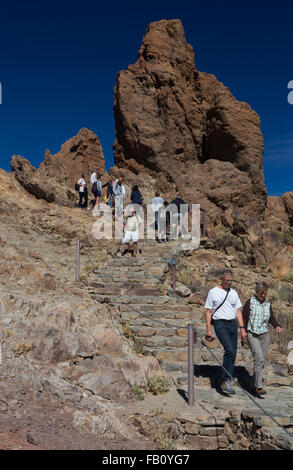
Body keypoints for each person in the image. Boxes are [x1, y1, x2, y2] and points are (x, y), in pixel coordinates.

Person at [205, 269, 247, 395]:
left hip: (232, 324)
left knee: (233, 353)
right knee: (229, 350)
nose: (229, 283)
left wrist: (242, 328)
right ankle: (225, 380)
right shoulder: (213, 292)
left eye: (231, 281)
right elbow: (208, 312)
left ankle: (227, 380)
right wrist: (208, 330)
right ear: (221, 279)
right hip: (220, 324)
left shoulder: (233, 293)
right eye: (227, 280)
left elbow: (238, 311)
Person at [242, 281, 283, 396]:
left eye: (265, 293)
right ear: (257, 292)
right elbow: (244, 317)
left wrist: (277, 326)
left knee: (262, 361)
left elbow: (272, 318)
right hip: (252, 333)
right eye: (261, 293)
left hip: (264, 334)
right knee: (259, 358)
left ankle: (253, 385)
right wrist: (243, 330)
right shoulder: (250, 302)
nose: (263, 295)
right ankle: (259, 386)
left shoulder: (268, 304)